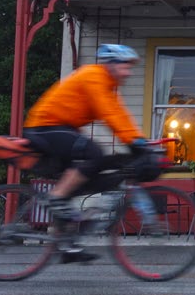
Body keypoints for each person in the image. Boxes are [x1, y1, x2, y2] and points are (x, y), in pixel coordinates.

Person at [22, 43, 148, 262]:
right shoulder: (93, 76)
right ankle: (56, 198)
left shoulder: (108, 87)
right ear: (112, 64)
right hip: (45, 127)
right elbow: (108, 113)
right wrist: (134, 142)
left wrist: (140, 141)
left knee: (81, 179)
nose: (128, 72)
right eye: (125, 66)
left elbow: (120, 116)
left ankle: (67, 246)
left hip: (60, 129)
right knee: (94, 153)